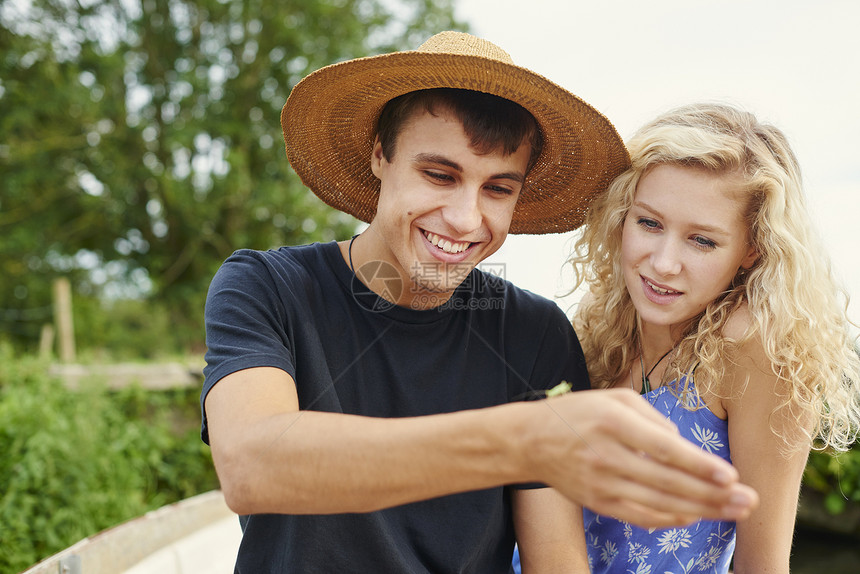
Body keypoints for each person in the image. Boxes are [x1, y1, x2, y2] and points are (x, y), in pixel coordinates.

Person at [201, 32, 758, 573]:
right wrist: (521, 440)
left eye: (498, 188)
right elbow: (252, 466)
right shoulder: (266, 287)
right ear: (380, 157)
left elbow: (555, 561)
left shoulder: (534, 331)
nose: (467, 219)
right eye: (439, 175)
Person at [566, 102, 860, 573]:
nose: (663, 262)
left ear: (752, 249)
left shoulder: (753, 347)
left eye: (702, 241)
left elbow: (760, 566)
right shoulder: (601, 326)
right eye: (649, 223)